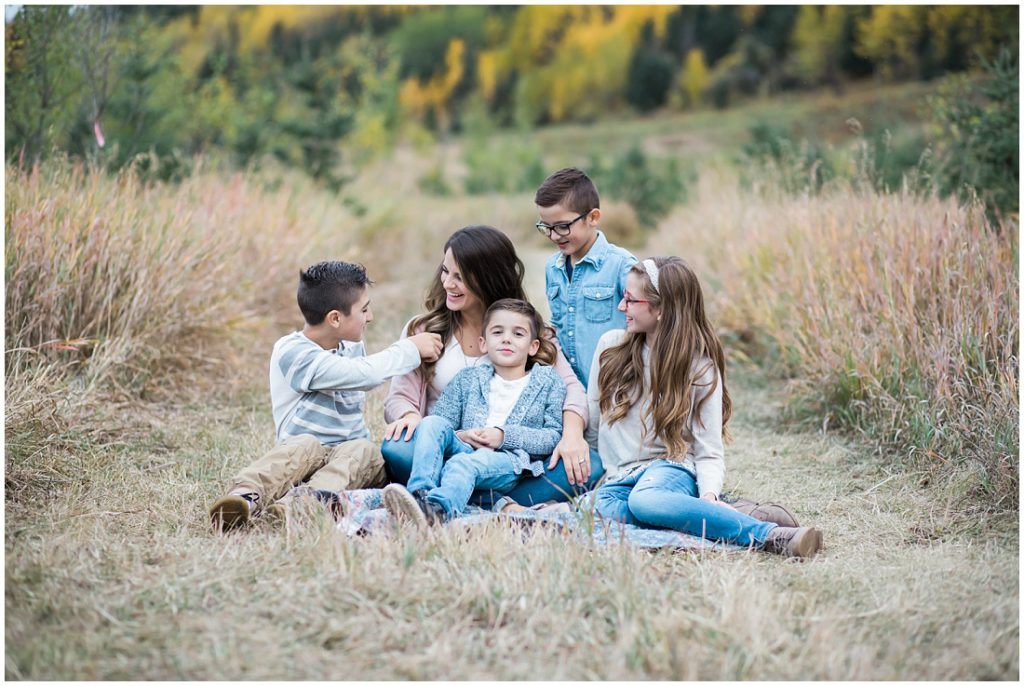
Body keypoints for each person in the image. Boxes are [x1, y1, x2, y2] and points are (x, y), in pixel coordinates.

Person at [586, 257, 824, 558]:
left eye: (631, 300)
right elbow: (594, 422)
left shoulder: (699, 368)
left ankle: (770, 535)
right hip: (620, 479)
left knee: (645, 504)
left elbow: (708, 450)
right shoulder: (610, 347)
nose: (622, 307)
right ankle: (735, 513)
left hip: (669, 470)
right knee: (595, 509)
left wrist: (709, 493)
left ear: (661, 309)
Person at [208, 261, 442, 531]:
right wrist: (410, 349)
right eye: (364, 310)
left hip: (347, 457)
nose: (370, 317)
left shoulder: (352, 346)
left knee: (366, 452)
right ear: (334, 318)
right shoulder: (292, 352)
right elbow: (361, 375)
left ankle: (302, 506)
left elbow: (361, 374)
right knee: (304, 444)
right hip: (301, 459)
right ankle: (244, 497)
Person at [382, 225, 604, 507]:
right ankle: (488, 500)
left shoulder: (529, 332)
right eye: (445, 271)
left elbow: (572, 389)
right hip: (449, 448)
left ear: (488, 279)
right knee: (398, 447)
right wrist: (411, 416)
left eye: (460, 277)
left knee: (590, 464)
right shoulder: (424, 330)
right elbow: (399, 397)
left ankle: (455, 498)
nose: (448, 283)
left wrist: (572, 436)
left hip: (510, 461)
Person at [382, 299, 565, 525]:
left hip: (507, 460)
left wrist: (503, 436)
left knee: (461, 465)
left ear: (533, 346)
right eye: (498, 332)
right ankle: (420, 494)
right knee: (431, 424)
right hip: (465, 448)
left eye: (518, 334)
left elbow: (552, 436)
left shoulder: (547, 382)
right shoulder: (467, 379)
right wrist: (462, 436)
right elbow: (442, 423)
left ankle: (438, 511)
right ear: (483, 343)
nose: (507, 338)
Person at [535, 167, 637, 391]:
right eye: (547, 227)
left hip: (614, 387)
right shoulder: (553, 268)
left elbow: (643, 328)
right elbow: (560, 324)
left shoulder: (621, 265)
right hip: (570, 389)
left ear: (593, 217)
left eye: (562, 226)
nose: (554, 235)